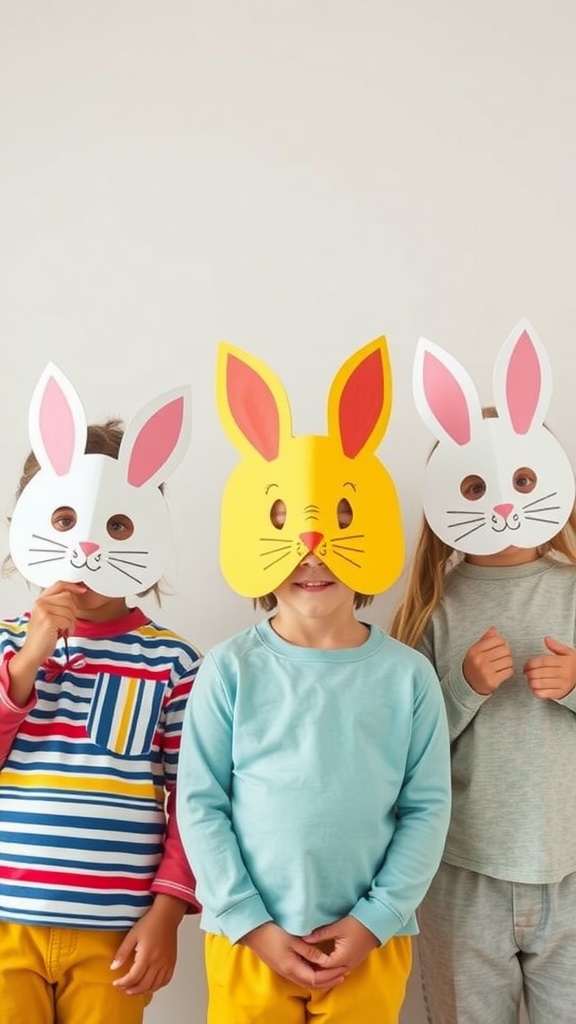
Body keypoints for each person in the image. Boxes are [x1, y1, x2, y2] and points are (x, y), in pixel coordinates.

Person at [177, 337, 451, 1024]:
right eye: (286, 524)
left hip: (370, 941)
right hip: (249, 941)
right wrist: (250, 922)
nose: (311, 550)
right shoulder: (228, 670)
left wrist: (376, 919)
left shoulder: (407, 677)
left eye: (338, 523)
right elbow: (200, 802)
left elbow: (427, 808)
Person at [0, 364, 201, 1024]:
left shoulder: (173, 662)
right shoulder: (5, 646)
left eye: (118, 527)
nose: (86, 546)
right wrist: (26, 663)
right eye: (64, 520)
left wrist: (167, 912)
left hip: (114, 935)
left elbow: (193, 803)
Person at [391, 323, 576, 1023]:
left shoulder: (572, 589)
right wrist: (463, 686)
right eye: (477, 484)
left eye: (524, 480)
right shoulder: (437, 607)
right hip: (463, 872)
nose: (504, 501)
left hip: (569, 866)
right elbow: (403, 750)